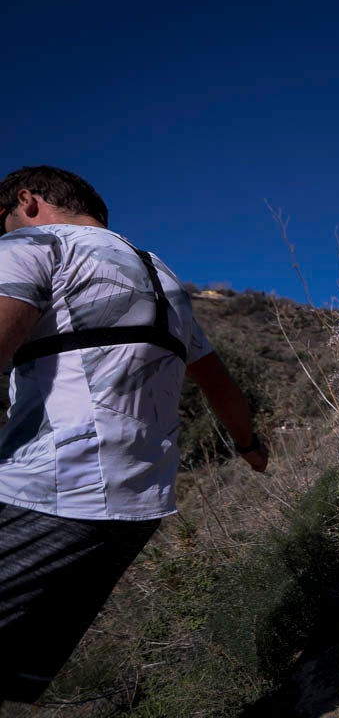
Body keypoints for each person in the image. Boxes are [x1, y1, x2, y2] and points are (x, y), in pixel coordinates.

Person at [0, 166, 269, 705]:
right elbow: (219, 385)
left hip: (44, 487)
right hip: (135, 508)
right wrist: (248, 446)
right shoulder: (160, 274)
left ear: (27, 202)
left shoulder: (36, 242)